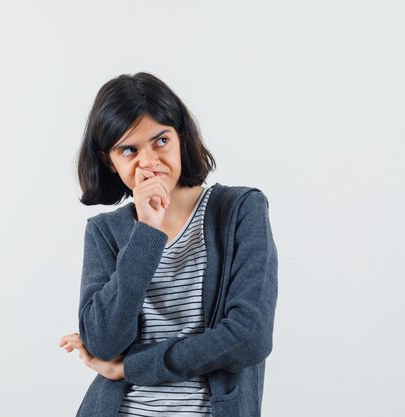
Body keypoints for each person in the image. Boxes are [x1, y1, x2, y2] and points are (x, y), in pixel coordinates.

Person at [58, 72, 278, 417]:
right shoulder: (105, 231)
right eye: (129, 150)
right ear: (109, 161)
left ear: (181, 138)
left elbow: (249, 338)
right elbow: (103, 342)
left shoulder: (239, 211)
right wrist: (147, 230)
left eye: (160, 141)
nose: (148, 162)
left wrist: (131, 367)